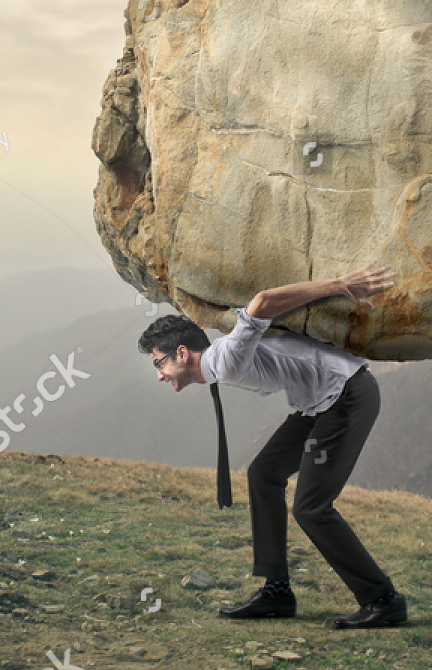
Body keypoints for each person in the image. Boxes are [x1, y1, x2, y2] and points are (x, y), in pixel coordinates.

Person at [137, 261, 407, 629]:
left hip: (347, 396)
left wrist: (341, 284)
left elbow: (262, 302)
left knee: (311, 508)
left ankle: (382, 599)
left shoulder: (226, 361)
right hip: (317, 403)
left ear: (182, 353)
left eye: (159, 363)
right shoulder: (221, 358)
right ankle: (277, 591)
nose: (158, 375)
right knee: (263, 473)